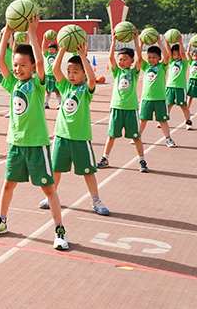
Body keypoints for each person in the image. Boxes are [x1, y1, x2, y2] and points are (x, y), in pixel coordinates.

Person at [0, 15, 68, 250]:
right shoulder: (13, 83)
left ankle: (59, 230)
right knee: (8, 184)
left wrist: (32, 32)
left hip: (37, 143)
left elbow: (41, 62)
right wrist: (7, 32)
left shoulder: (38, 84)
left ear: (31, 67)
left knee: (48, 189)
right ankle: (1, 221)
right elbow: (1, 60)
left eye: (23, 64)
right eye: (16, 64)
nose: (18, 68)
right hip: (16, 143)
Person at [38, 41, 110, 216]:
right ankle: (50, 197)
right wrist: (62, 49)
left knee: (88, 171)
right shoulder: (65, 86)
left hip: (80, 137)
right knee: (55, 170)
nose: (70, 75)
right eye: (69, 71)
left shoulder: (86, 89)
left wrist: (84, 57)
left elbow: (93, 79)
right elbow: (55, 70)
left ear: (84, 74)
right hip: (61, 136)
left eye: (75, 72)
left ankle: (95, 200)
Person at [96, 29, 147, 172]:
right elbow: (111, 58)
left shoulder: (133, 73)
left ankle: (142, 161)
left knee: (136, 137)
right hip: (116, 108)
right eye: (120, 59)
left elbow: (140, 60)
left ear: (131, 60)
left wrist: (137, 42)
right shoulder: (117, 71)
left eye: (124, 59)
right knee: (111, 136)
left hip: (130, 109)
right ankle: (105, 158)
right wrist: (113, 42)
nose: (121, 61)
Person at [138, 36, 176, 148]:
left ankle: (168, 138)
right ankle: (138, 137)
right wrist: (140, 44)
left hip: (160, 99)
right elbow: (139, 58)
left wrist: (160, 43)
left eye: (154, 57)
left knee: (162, 120)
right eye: (149, 57)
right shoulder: (145, 66)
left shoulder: (162, 67)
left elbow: (167, 57)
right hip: (146, 99)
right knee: (143, 120)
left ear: (159, 58)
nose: (151, 60)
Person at [165, 35, 193, 130]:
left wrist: (180, 42)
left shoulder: (184, 62)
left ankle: (188, 122)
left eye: (178, 55)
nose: (177, 56)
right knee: (168, 105)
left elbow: (183, 53)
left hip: (180, 87)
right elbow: (168, 51)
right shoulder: (171, 61)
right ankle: (163, 121)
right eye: (175, 55)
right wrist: (166, 41)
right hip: (170, 86)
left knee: (183, 106)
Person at [43, 41, 62, 109]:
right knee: (48, 91)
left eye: (53, 49)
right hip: (48, 75)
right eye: (50, 49)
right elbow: (43, 48)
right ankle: (46, 103)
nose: (51, 50)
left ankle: (60, 103)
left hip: (55, 75)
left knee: (57, 91)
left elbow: (61, 49)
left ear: (56, 50)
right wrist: (44, 39)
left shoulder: (57, 55)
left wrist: (59, 39)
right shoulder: (47, 55)